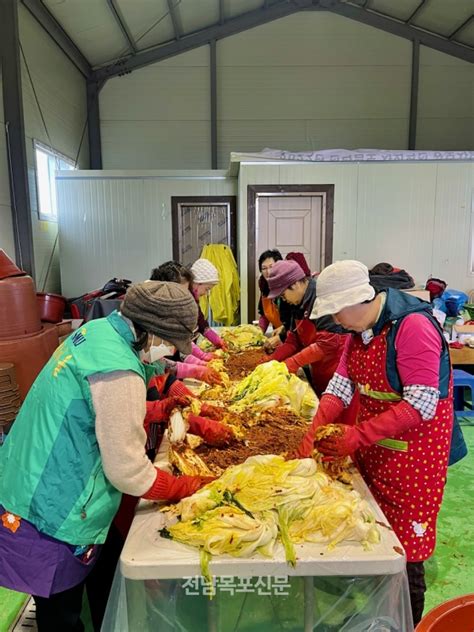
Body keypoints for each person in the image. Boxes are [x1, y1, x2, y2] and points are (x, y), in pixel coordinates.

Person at [0, 281, 215, 631]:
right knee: (61, 616)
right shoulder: (119, 370)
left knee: (108, 571)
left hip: (32, 468)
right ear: (152, 333)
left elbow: (93, 408)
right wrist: (183, 487)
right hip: (55, 500)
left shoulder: (100, 332)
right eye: (169, 344)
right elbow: (128, 471)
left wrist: (157, 409)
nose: (170, 353)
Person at [296, 260, 453, 626]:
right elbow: (339, 386)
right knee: (374, 534)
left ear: (358, 299)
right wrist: (313, 430)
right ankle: (371, 612)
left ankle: (406, 620)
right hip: (377, 450)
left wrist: (357, 435)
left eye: (337, 311)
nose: (335, 319)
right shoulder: (360, 331)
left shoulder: (413, 327)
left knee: (407, 550)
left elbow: (420, 403)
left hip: (415, 459)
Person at [264, 259, 348, 398]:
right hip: (318, 369)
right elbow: (293, 341)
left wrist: (292, 363)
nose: (283, 300)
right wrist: (271, 361)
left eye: (283, 295)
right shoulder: (297, 303)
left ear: (295, 284)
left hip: (337, 371)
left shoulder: (321, 297)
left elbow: (327, 344)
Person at [150, 260, 222, 385]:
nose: (184, 299)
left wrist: (200, 362)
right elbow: (155, 362)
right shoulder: (150, 317)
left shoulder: (170, 313)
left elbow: (180, 346)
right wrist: (194, 369)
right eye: (180, 294)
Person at [190, 258, 228, 350]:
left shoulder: (193, 299)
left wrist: (217, 340)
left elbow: (201, 321)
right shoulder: (186, 300)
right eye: (207, 289)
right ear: (197, 283)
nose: (206, 293)